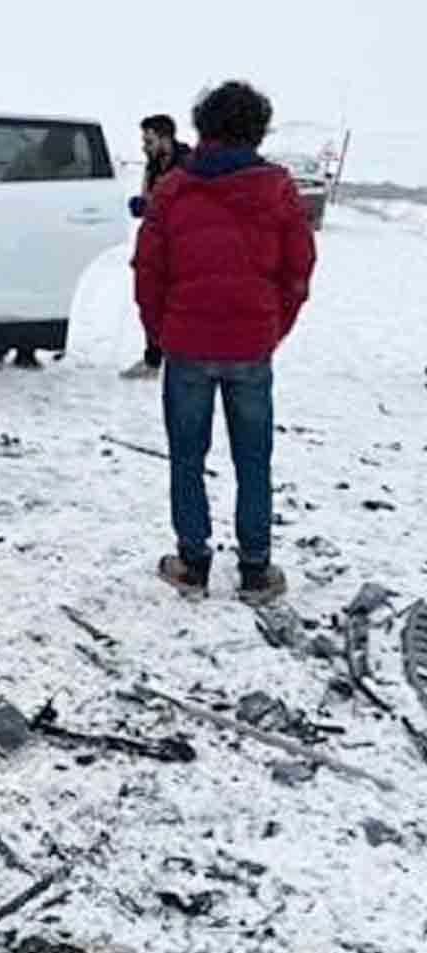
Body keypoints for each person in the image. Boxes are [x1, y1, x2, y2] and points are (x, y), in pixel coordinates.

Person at [131, 81, 317, 602]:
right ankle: (256, 570)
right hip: (251, 347)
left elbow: (148, 272)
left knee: (187, 456)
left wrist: (160, 334)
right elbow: (299, 269)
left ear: (202, 127)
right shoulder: (277, 188)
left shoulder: (172, 189)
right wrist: (272, 327)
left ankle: (192, 563)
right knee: (253, 458)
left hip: (188, 346)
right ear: (258, 130)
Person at [121, 114, 192, 380]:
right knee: (150, 299)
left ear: (165, 138)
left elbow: (185, 206)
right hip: (155, 242)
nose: (144, 146)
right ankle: (153, 358)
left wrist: (150, 205)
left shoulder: (188, 165)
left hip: (181, 245)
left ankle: (177, 360)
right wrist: (142, 204)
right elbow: (153, 200)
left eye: (149, 140)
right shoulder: (152, 165)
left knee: (177, 303)